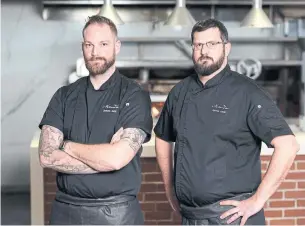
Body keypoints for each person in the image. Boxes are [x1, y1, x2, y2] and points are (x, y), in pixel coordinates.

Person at [154, 18, 299, 226]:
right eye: (198, 45)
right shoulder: (179, 92)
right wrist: (170, 188)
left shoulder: (248, 92)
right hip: (191, 218)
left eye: (211, 44)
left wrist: (257, 200)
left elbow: (288, 145)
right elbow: (163, 137)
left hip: (233, 219)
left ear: (227, 47)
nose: (204, 51)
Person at [38, 15, 153, 225]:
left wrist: (66, 146)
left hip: (117, 214)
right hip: (65, 212)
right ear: (83, 47)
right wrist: (105, 159)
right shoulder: (64, 95)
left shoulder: (134, 94)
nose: (95, 52)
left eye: (103, 44)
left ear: (117, 46)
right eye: (89, 45)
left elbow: (116, 159)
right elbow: (47, 156)